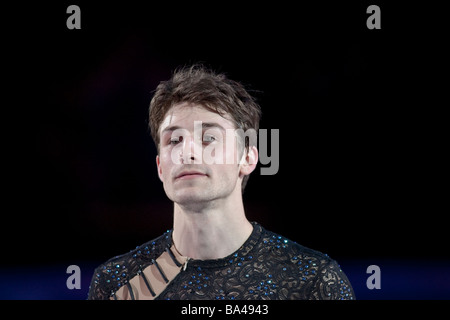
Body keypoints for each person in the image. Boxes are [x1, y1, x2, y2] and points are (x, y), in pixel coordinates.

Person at [88, 64, 355, 300]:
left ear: (247, 158)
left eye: (208, 138)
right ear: (160, 167)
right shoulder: (117, 285)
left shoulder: (313, 282)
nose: (188, 152)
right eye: (174, 140)